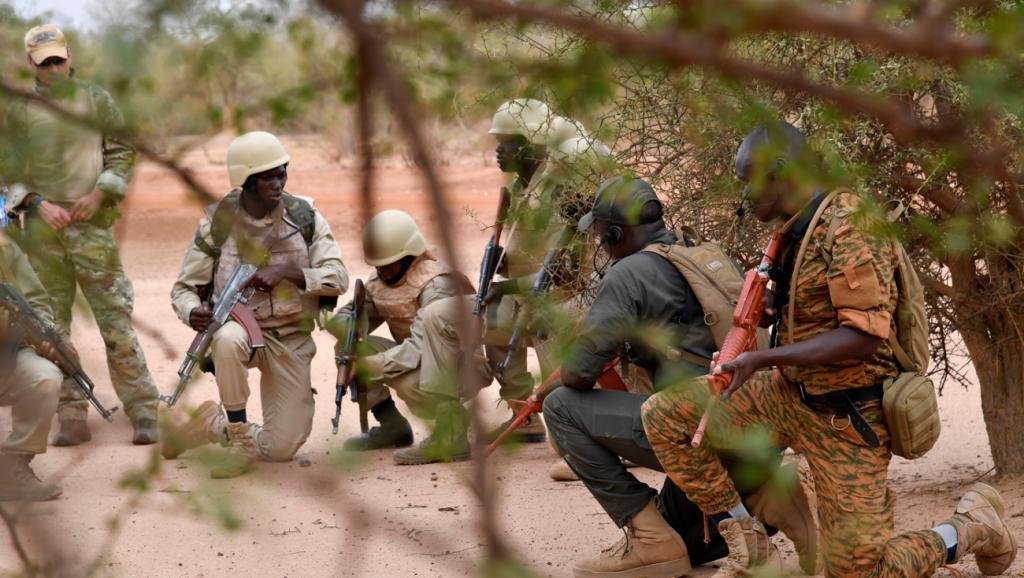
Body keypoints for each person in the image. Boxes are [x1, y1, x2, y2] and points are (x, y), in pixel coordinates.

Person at [640, 122, 1017, 577]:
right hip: (789, 396)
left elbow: (863, 336)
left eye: (747, 180)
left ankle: (971, 526)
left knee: (860, 572)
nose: (743, 196)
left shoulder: (851, 226)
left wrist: (762, 358)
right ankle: (745, 536)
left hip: (847, 418)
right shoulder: (795, 228)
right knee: (665, 415)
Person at [545, 175, 817, 577]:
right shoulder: (701, 253)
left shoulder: (629, 274)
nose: (603, 244)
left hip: (694, 432)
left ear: (616, 232)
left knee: (560, 407)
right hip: (756, 426)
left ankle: (648, 540)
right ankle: (770, 498)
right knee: (689, 545)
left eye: (604, 235)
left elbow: (580, 373)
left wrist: (558, 376)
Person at [0, 24, 160, 446]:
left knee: (115, 319)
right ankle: (71, 414)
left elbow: (123, 149)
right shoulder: (20, 110)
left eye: (59, 58)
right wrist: (34, 201)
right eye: (45, 62)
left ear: (69, 56)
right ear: (31, 63)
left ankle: (143, 409)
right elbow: (8, 169)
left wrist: (100, 191)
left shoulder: (96, 99)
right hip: (42, 233)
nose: (54, 68)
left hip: (90, 228)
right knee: (52, 327)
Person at [164, 131, 347, 478]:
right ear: (246, 181)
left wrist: (290, 273)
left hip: (291, 337)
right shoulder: (218, 224)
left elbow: (338, 276)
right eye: (268, 177)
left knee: (281, 449)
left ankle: (210, 424)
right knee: (228, 339)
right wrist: (194, 312)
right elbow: (184, 289)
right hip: (241, 331)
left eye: (282, 173)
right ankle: (239, 441)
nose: (278, 183)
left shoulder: (305, 218)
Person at [325, 209, 475, 452]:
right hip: (417, 357)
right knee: (348, 348)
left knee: (406, 379)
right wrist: (347, 328)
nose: (382, 271)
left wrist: (368, 365)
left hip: (454, 367)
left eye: (388, 265)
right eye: (378, 266)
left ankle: (449, 427)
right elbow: (353, 315)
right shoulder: (384, 279)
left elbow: (419, 349)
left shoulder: (436, 285)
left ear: (408, 255)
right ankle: (392, 426)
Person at [0, 231, 64, 501]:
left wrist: (43, 334)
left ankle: (14, 468)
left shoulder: (4, 247)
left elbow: (35, 301)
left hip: (8, 350)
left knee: (44, 378)